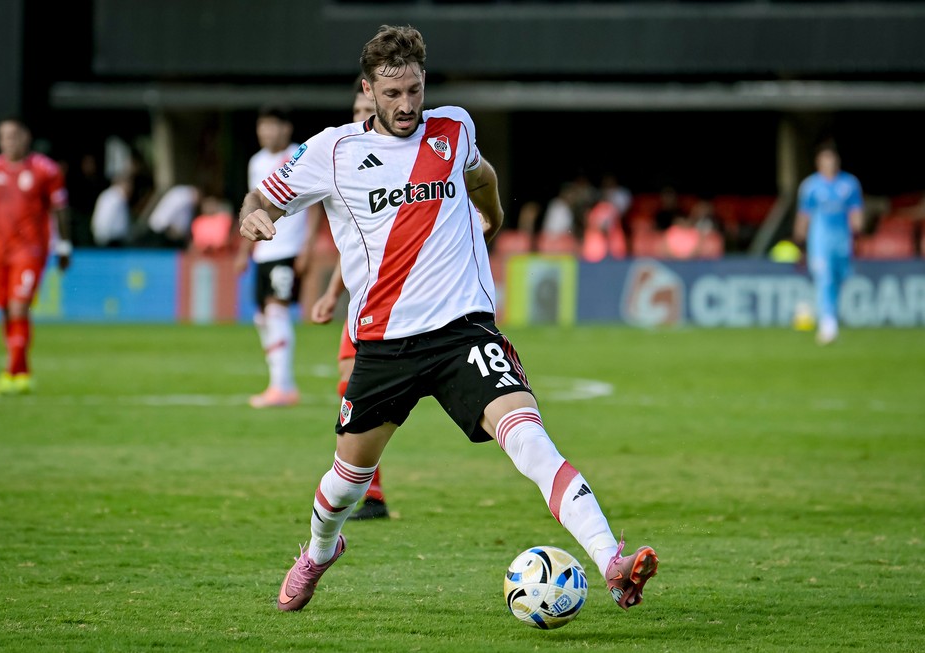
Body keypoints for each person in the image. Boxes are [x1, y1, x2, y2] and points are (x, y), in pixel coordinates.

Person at [239, 24, 658, 613]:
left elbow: (481, 175)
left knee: (531, 441)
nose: (407, 104)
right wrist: (252, 219)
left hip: (464, 330)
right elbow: (261, 199)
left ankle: (611, 560)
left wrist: (492, 215)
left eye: (415, 90)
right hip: (384, 343)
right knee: (345, 482)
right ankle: (318, 552)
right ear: (368, 91)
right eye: (393, 94)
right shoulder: (332, 151)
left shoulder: (454, 128)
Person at [309, 79, 391, 521]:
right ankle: (370, 492)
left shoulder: (397, 165)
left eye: (368, 108)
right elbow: (356, 246)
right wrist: (331, 293)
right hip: (363, 303)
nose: (363, 115)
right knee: (351, 387)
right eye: (358, 109)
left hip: (405, 304)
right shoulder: (342, 159)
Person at [0, 116, 73, 395]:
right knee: (5, 310)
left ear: (26, 136)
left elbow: (60, 210)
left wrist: (64, 246)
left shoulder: (45, 170)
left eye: (14, 135)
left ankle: (10, 371)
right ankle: (22, 373)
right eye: (3, 136)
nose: (9, 141)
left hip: (30, 250)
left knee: (18, 307)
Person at [235, 105, 322, 408]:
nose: (267, 131)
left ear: (286, 128)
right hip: (263, 252)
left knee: (276, 312)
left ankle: (282, 386)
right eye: (263, 126)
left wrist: (307, 247)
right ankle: (279, 382)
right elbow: (253, 209)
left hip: (287, 249)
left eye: (273, 125)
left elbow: (313, 205)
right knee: (262, 317)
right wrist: (244, 250)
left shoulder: (299, 155)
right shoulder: (256, 162)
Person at [793, 142, 865, 345]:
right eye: (825, 159)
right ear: (818, 162)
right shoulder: (811, 186)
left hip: (842, 240)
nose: (829, 163)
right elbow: (804, 215)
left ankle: (832, 316)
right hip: (820, 240)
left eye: (832, 159)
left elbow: (856, 211)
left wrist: (858, 233)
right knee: (824, 279)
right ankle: (828, 324)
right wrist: (800, 241)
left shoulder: (849, 183)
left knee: (841, 278)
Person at [90, 171, 133, 247]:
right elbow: (105, 218)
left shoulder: (109, 195)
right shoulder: (116, 198)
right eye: (129, 184)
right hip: (110, 240)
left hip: (108, 237)